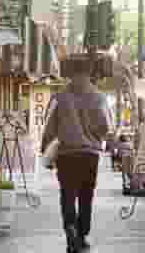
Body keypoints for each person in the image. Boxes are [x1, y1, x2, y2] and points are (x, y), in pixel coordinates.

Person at [40, 59, 111, 253]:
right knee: (86, 194)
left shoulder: (58, 97)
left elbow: (49, 126)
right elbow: (106, 127)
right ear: (89, 73)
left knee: (67, 193)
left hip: (66, 154)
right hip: (89, 154)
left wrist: (45, 148)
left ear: (70, 73)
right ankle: (82, 234)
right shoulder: (99, 98)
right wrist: (98, 136)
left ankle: (70, 228)